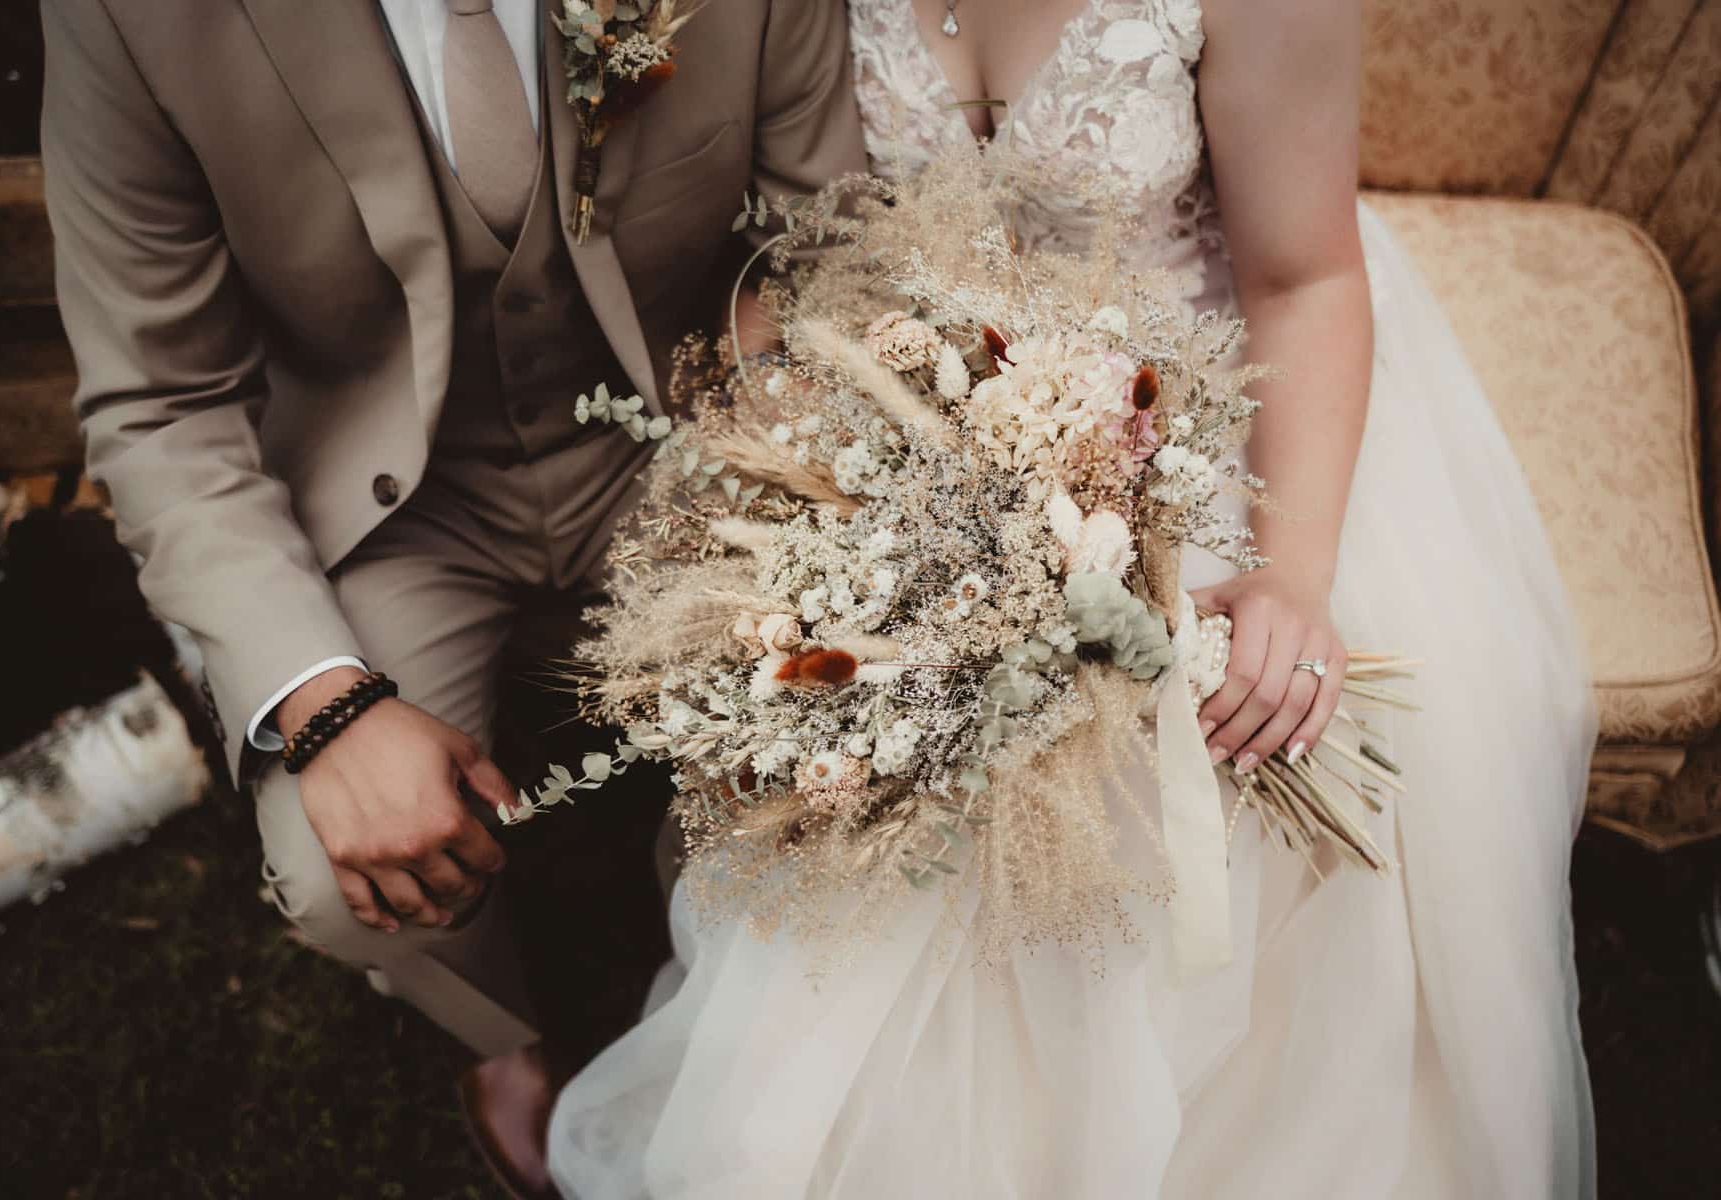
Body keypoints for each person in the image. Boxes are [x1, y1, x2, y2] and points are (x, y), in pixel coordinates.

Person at [546, 1, 1598, 1195]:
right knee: (867, 734)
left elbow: (1304, 279)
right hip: (923, 416)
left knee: (1188, 750)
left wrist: (1292, 574)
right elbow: (795, 247)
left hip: (1215, 407)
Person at [39, 1, 866, 1193]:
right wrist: (321, 702)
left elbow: (824, 252)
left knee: (818, 755)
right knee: (344, 876)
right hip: (391, 502)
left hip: (686, 438)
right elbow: (159, 404)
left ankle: (733, 1012)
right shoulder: (135, 19)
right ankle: (499, 1034)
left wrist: (777, 460)